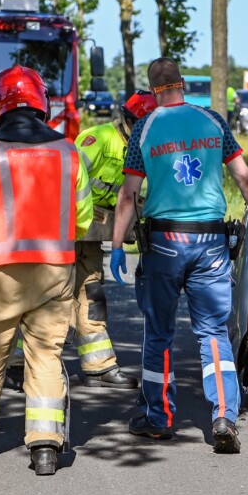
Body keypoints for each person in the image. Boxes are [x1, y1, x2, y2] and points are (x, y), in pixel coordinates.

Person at [111, 58, 248, 454]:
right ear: (183, 84)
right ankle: (223, 416)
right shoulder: (213, 121)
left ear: (153, 92)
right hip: (211, 243)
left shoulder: (144, 129)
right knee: (213, 332)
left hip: (165, 242)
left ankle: (158, 419)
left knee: (159, 333)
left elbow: (129, 194)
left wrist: (117, 245)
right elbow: (245, 177)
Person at [0, 65, 92, 476]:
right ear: (41, 105)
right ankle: (45, 444)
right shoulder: (69, 153)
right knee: (45, 355)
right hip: (54, 270)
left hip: (0, 271)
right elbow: (81, 219)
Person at [63, 90, 157, 388]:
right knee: (50, 294)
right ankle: (22, 362)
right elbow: (67, 178)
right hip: (64, 228)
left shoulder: (141, 149)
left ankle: (99, 366)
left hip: (90, 232)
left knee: (92, 293)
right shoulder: (99, 138)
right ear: (129, 120)